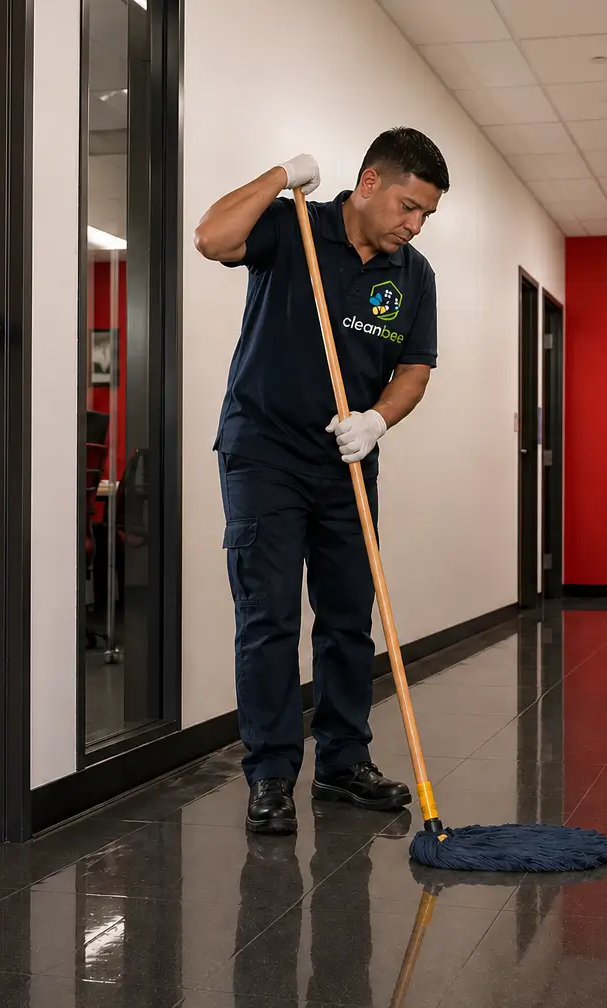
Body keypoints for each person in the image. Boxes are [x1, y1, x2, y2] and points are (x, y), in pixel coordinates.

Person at [194, 127, 448, 834]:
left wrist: (376, 421)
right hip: (264, 453)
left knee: (347, 618)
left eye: (426, 214)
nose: (414, 224)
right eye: (408, 206)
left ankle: (343, 762)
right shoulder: (293, 227)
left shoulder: (413, 275)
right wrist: (280, 174)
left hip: (348, 461)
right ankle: (272, 774)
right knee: (269, 618)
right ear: (369, 183)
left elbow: (415, 369)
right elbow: (212, 238)